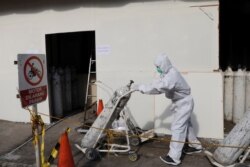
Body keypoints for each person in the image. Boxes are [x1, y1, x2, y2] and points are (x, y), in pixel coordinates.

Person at [133, 53, 202, 166]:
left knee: (177, 127)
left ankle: (174, 157)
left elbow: (159, 87)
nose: (157, 69)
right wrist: (141, 88)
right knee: (186, 125)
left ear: (164, 65)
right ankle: (196, 146)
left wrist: (141, 87)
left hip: (184, 103)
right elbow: (158, 88)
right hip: (182, 103)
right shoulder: (167, 73)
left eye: (158, 67)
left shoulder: (171, 76)